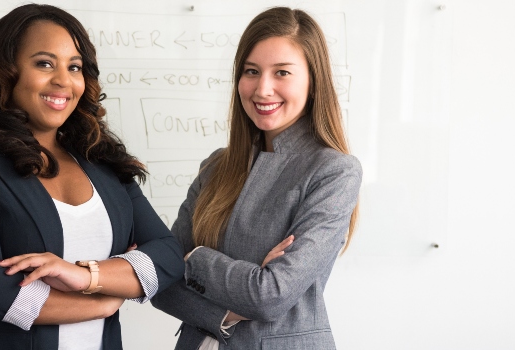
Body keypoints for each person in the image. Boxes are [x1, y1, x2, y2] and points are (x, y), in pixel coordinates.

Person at [0, 4, 185, 350]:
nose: (63, 80)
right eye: (44, 63)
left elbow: (167, 255)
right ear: (8, 71)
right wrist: (103, 300)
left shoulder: (104, 166)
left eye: (74, 67)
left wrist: (84, 276)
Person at [150, 7, 362, 350]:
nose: (263, 89)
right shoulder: (215, 167)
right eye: (252, 71)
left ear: (312, 81)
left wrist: (193, 258)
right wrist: (228, 313)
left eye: (282, 72)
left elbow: (270, 295)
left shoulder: (334, 171)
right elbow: (161, 282)